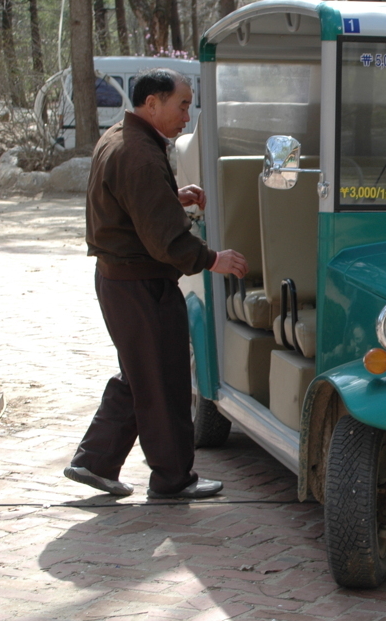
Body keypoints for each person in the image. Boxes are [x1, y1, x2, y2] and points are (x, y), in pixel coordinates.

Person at [65, 69, 249, 499]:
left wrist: (172, 196)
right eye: (182, 104)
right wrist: (211, 259)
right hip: (141, 285)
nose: (188, 114)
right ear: (152, 103)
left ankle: (94, 462)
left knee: (140, 374)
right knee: (163, 381)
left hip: (121, 281)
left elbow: (133, 205)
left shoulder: (121, 137)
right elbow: (166, 240)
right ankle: (172, 479)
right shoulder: (140, 155)